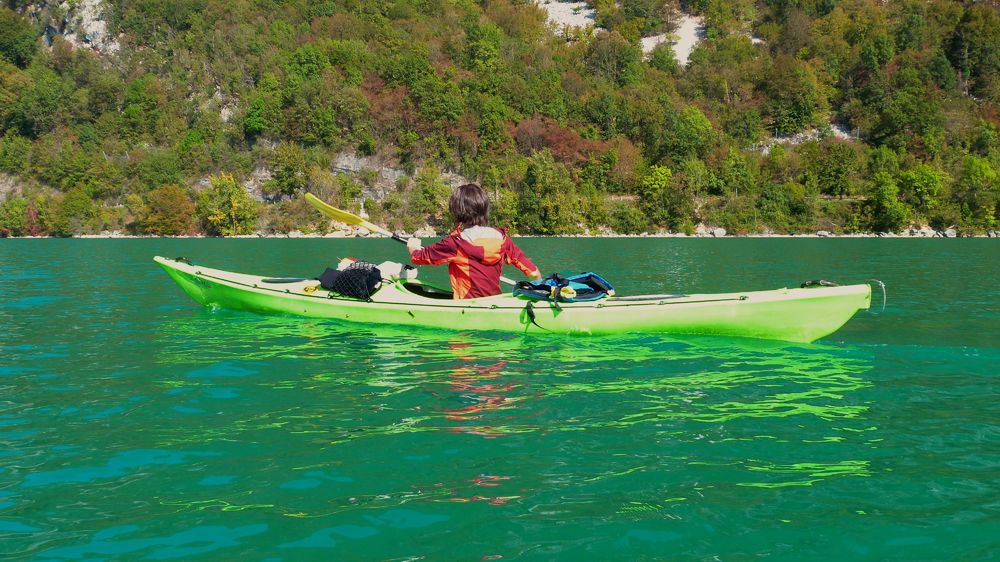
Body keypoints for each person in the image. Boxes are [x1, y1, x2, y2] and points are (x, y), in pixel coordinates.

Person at [407, 183, 541, 299]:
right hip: (493, 302)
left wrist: (413, 246)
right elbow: (534, 273)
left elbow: (418, 257)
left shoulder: (455, 243)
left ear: (457, 212)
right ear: (484, 209)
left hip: (467, 306)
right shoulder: (503, 240)